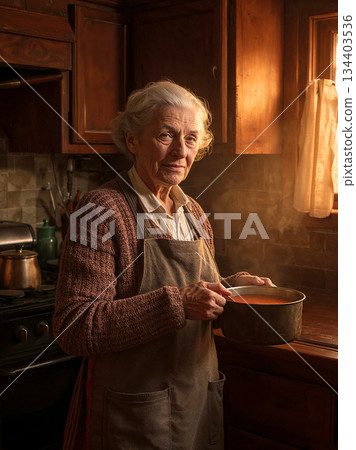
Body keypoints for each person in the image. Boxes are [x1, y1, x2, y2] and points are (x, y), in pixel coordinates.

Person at [53, 80, 274, 450]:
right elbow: (74, 327)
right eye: (166, 135)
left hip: (196, 400)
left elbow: (199, 290)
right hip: (135, 410)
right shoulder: (99, 210)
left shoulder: (193, 211)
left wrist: (235, 287)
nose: (179, 151)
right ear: (132, 140)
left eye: (190, 139)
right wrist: (178, 304)